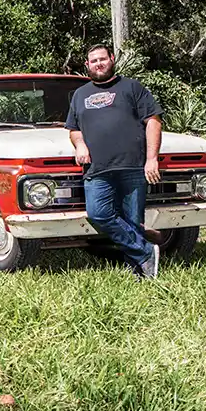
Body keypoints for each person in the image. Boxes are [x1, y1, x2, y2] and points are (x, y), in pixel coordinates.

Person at [64, 44, 164, 279]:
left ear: (112, 59)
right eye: (93, 61)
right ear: (87, 66)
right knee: (98, 214)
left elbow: (154, 121)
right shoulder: (80, 94)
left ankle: (141, 272)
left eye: (102, 59)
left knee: (133, 221)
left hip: (132, 167)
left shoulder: (132, 87)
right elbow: (73, 129)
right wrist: (80, 145)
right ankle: (146, 252)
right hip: (96, 169)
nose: (98, 64)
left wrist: (152, 158)